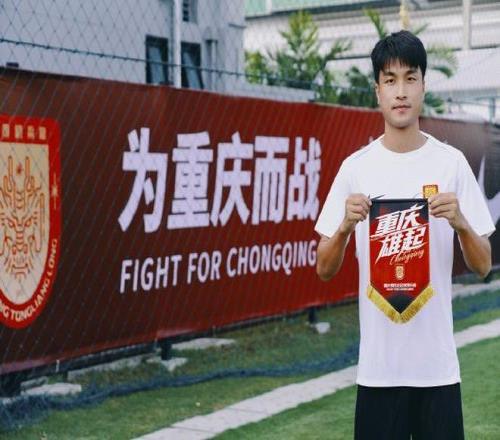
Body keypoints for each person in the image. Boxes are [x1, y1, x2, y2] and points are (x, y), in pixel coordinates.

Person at [314, 30, 494, 439]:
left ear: (423, 86)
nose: (400, 91)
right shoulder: (356, 168)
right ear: (377, 91)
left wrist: (462, 223)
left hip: (437, 371)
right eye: (390, 80)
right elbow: (323, 268)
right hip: (378, 372)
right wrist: (344, 227)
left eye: (410, 78)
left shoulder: (451, 163)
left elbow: (483, 265)